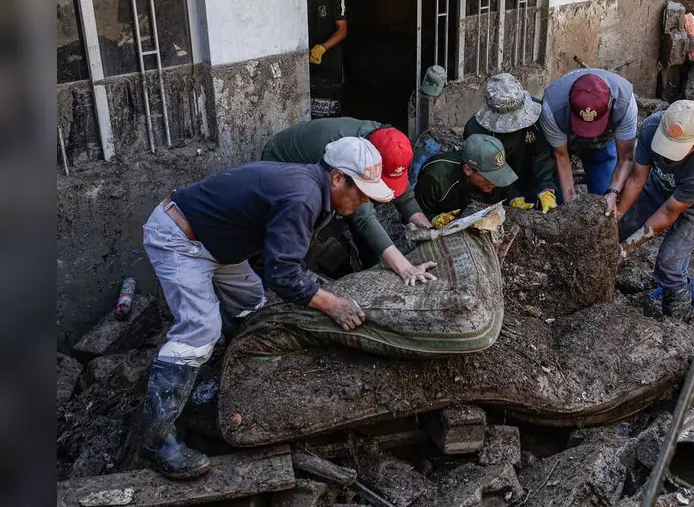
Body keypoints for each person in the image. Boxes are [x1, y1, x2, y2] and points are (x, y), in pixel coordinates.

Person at [137, 137, 422, 479]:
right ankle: (157, 440)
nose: (362, 200)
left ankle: (225, 371)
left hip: (217, 242)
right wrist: (331, 303)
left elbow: (282, 268)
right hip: (182, 240)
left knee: (253, 304)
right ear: (336, 178)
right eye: (359, 191)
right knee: (200, 328)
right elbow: (282, 273)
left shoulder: (313, 188)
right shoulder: (302, 197)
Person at [261, 117, 436, 280]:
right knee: (305, 230)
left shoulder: (389, 143)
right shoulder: (351, 152)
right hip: (283, 162)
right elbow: (364, 218)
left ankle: (365, 264)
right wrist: (405, 267)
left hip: (325, 173)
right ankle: (285, 273)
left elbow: (404, 197)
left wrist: (431, 230)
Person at [616, 100, 694, 316]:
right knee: (624, 228)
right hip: (663, 182)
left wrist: (627, 248)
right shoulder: (652, 127)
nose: (668, 156)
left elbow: (667, 213)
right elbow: (637, 179)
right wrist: (617, 215)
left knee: (669, 261)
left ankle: (677, 315)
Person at [539, 68, 639, 215]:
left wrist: (613, 192)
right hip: (566, 138)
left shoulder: (625, 104)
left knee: (604, 204)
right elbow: (561, 155)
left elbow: (626, 158)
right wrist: (570, 201)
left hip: (602, 143)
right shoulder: (552, 108)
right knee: (559, 208)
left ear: (610, 104)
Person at [464, 73, 557, 213]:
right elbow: (486, 172)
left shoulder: (538, 114)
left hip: (531, 174)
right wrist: (512, 195)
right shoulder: (476, 130)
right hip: (496, 187)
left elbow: (542, 153)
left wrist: (546, 187)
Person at [414, 134, 518, 228]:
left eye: (498, 176)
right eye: (490, 178)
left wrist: (514, 198)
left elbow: (506, 189)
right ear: (467, 169)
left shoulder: (492, 172)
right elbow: (416, 210)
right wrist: (433, 219)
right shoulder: (436, 177)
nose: (495, 183)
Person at [306, 0, 348, 107]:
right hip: (306, 59)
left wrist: (322, 48)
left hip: (330, 59)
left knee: (330, 104)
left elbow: (342, 30)